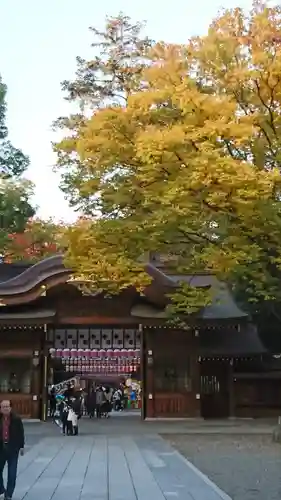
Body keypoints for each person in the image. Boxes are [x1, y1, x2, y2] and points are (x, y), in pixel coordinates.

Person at [0, 400, 24, 500]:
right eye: (3, 407)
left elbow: (21, 433)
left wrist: (21, 446)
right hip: (1, 448)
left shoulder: (16, 419)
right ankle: (1, 489)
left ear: (10, 408)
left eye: (7, 406)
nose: (5, 408)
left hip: (13, 449)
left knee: (12, 473)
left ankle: (9, 494)